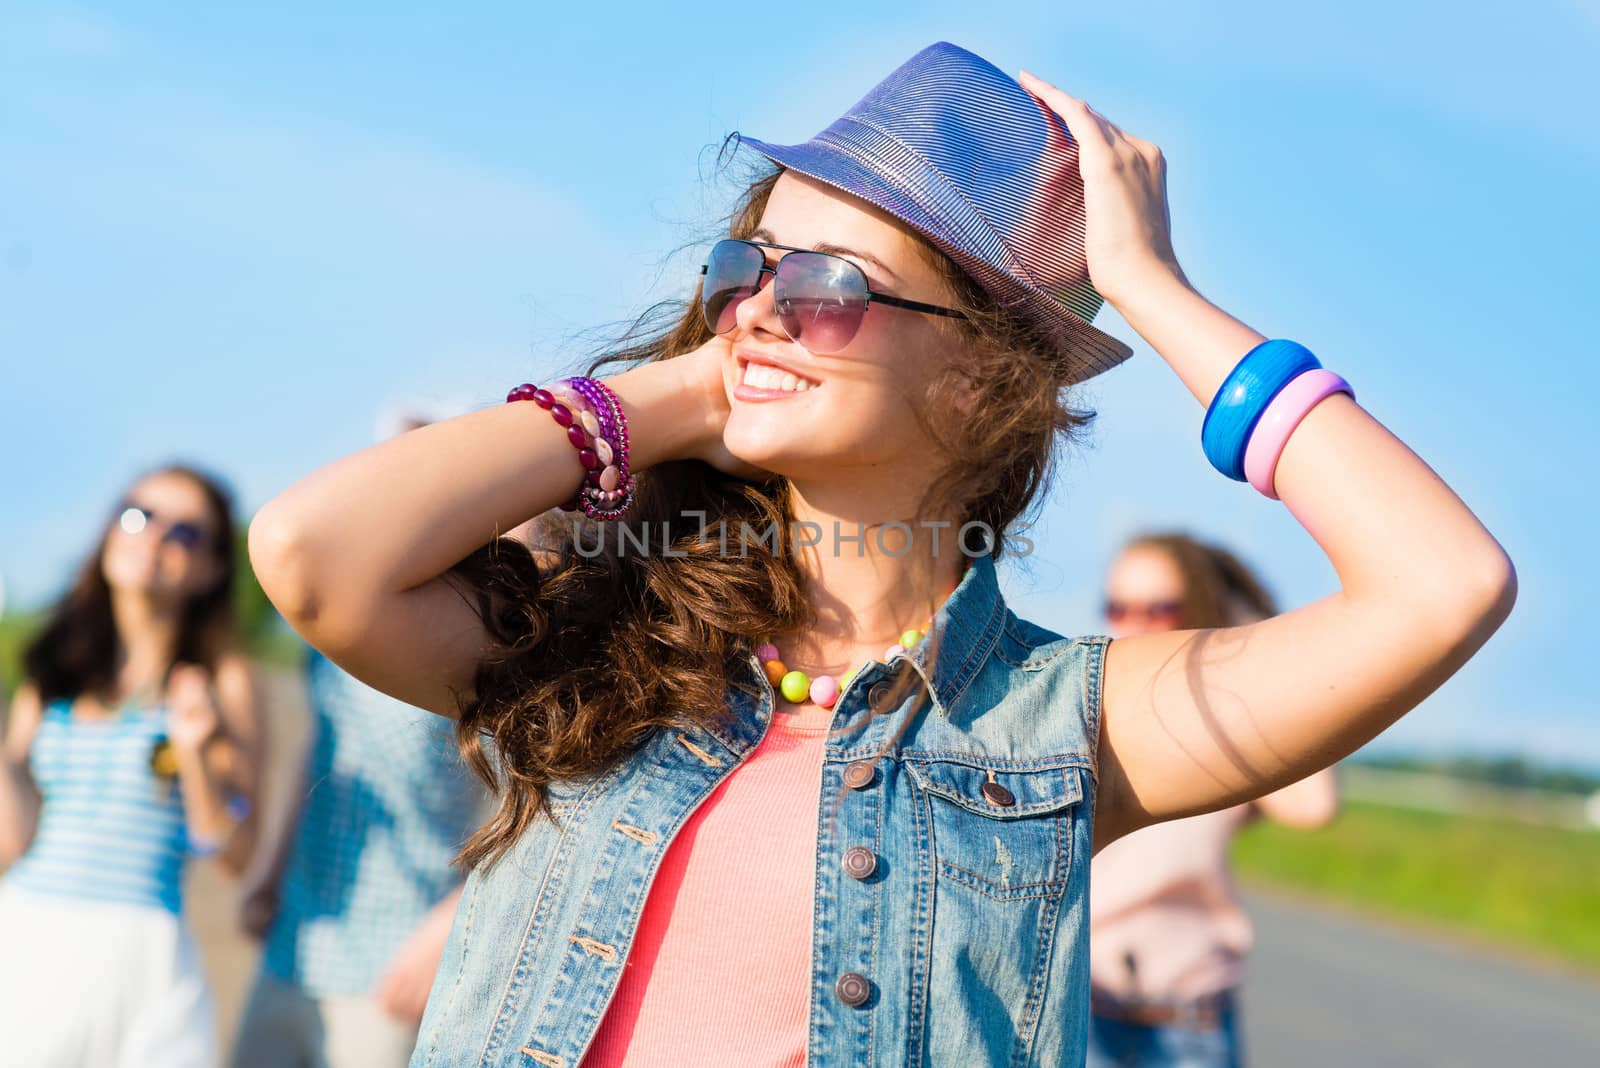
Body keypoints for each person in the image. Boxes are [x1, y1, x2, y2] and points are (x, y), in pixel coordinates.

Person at [247, 42, 1515, 1066]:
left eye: (829, 282)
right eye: (747, 266)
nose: (760, 304)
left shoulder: (1062, 729)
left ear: (979, 375)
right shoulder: (604, 650)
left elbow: (1441, 584)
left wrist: (1149, 285)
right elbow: (313, 553)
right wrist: (696, 385)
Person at [230, 406, 486, 1068]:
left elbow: (541, 805)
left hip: (390, 970)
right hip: (294, 947)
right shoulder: (327, 631)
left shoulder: (485, 639)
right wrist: (266, 872)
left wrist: (447, 928)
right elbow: (316, 757)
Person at [0, 464, 263, 1067]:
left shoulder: (222, 682)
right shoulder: (49, 675)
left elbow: (236, 854)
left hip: (145, 960)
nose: (155, 536)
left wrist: (195, 754)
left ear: (211, 569)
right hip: (29, 940)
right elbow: (14, 839)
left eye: (186, 532)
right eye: (139, 514)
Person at [1087, 534, 1339, 1068]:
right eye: (1119, 607)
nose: (1133, 625)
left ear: (1200, 607)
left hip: (1189, 1021)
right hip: (1085, 1014)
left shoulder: (1226, 728)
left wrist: (1242, 629)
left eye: (1160, 608)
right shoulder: (1093, 709)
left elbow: (1312, 804)